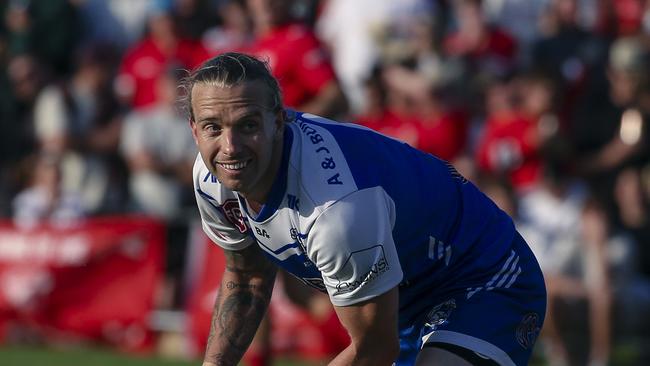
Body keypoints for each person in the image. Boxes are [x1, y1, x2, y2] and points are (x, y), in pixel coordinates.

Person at [185, 52, 546, 366]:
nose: (229, 147)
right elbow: (247, 278)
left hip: (483, 277)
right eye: (213, 128)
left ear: (278, 120)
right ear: (195, 130)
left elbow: (374, 349)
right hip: (401, 302)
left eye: (248, 125)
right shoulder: (211, 178)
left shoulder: (336, 210)